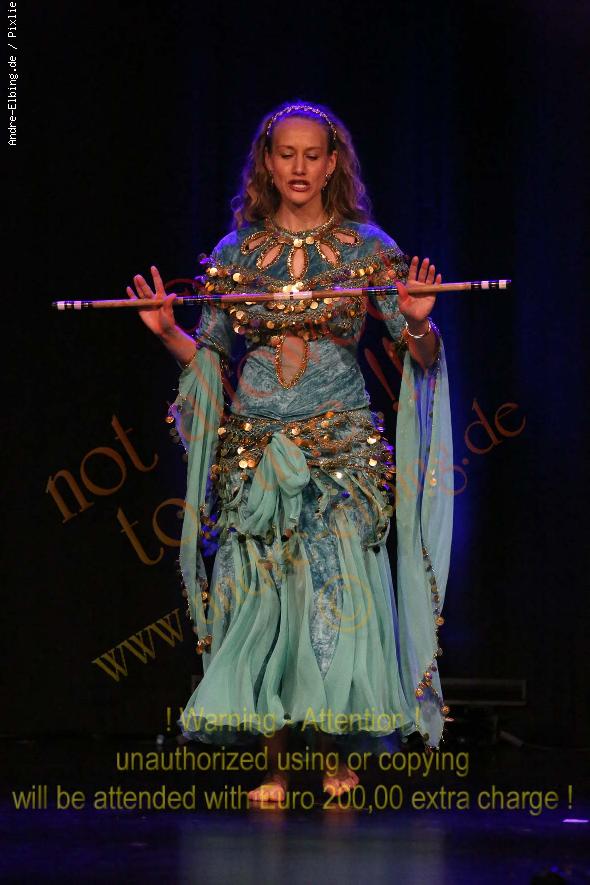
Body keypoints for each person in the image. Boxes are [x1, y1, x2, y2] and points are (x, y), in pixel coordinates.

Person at [126, 101, 453, 803]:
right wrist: (166, 332)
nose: (299, 167)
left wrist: (420, 326)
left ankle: (336, 756)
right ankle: (274, 767)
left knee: (334, 595)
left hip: (340, 448)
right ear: (267, 164)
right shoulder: (234, 253)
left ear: (332, 164)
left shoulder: (369, 248)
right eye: (287, 154)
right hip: (257, 448)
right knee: (264, 597)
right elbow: (209, 358)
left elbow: (418, 355)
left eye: (312, 155)